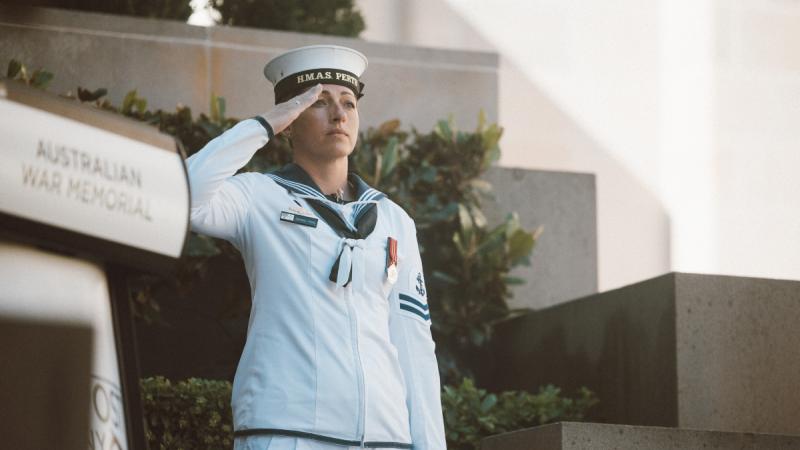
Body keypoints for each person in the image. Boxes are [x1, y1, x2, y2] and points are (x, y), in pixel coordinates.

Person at [186, 45, 446, 450]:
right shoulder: (260, 197)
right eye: (319, 104)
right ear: (290, 123)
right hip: (288, 435)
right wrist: (263, 125)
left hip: (384, 440)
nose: (339, 114)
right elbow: (186, 194)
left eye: (348, 103)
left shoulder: (394, 220)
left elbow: (414, 344)